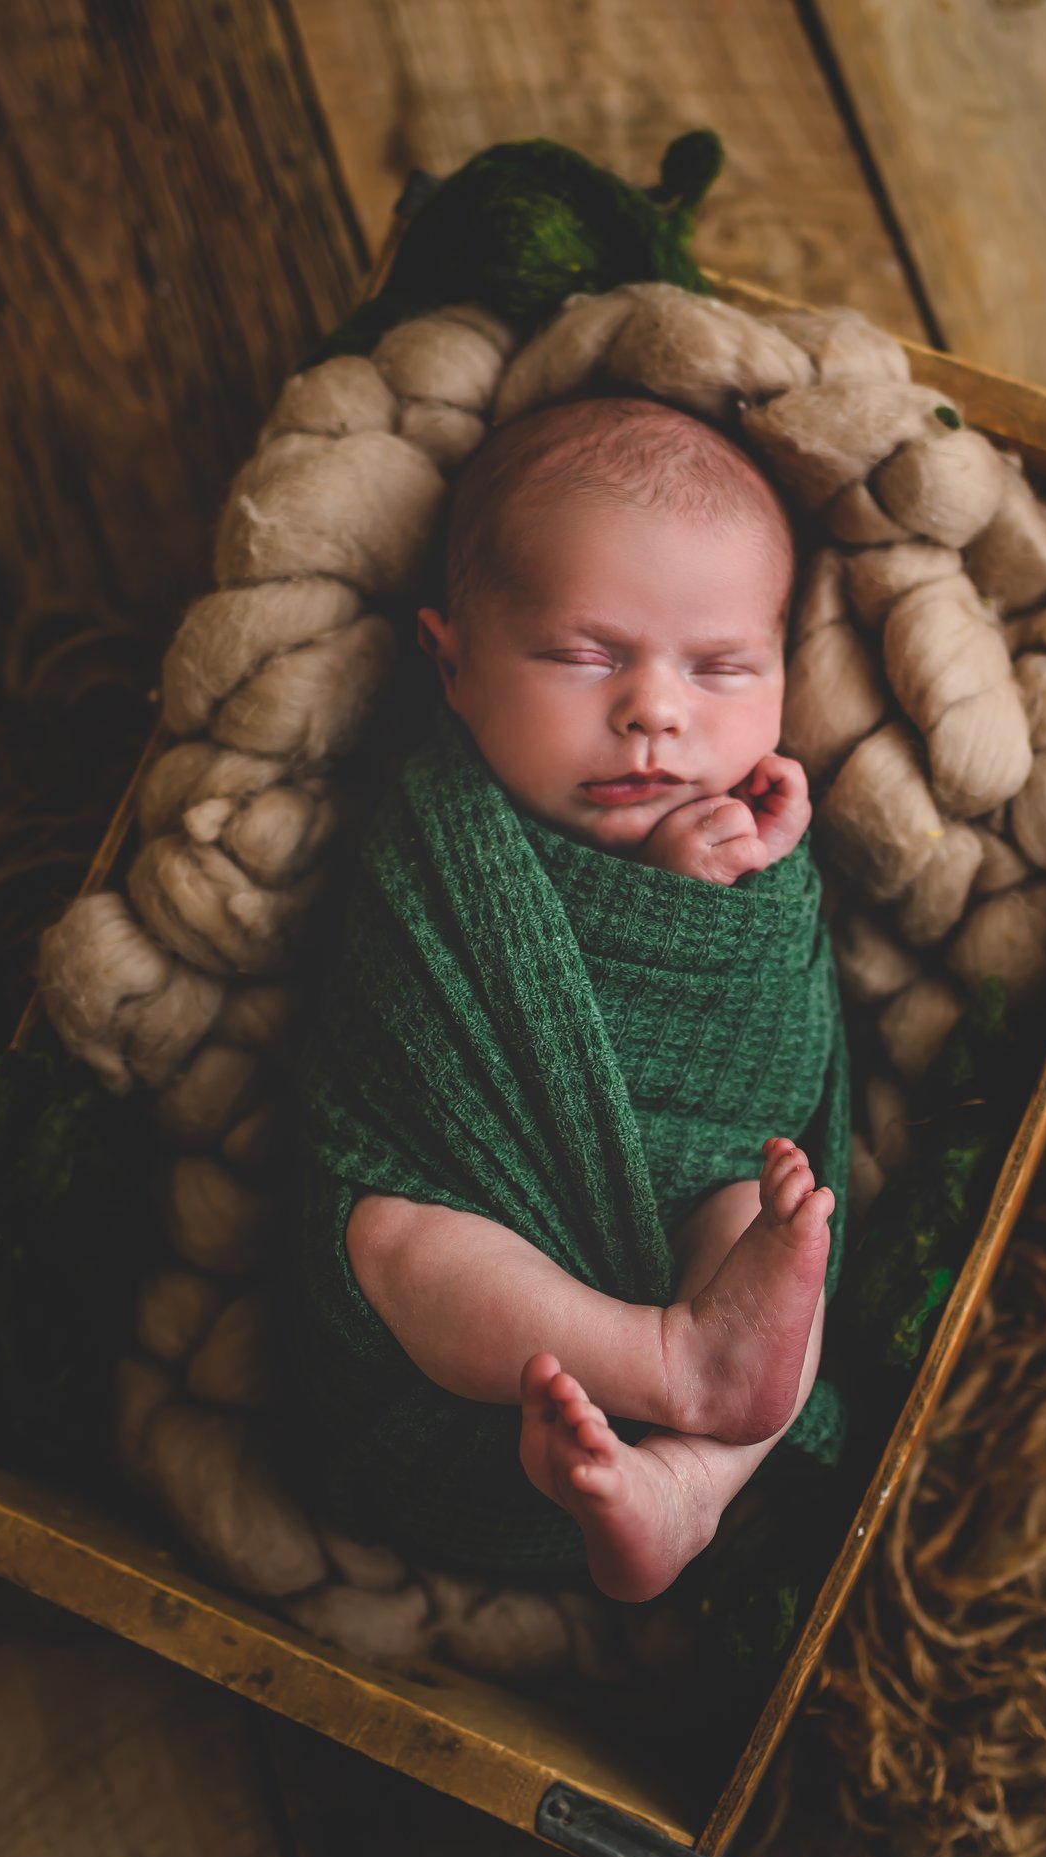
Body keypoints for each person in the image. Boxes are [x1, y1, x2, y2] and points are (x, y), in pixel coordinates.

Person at [283, 391, 851, 1604]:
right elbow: (391, 1048)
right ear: (452, 663)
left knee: (774, 1220)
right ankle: (669, 1367)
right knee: (388, 1234)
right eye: (586, 655)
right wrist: (655, 885)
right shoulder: (439, 839)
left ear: (784, 681)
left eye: (721, 668)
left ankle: (691, 1485)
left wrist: (731, 893)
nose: (656, 709)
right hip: (466, 1295)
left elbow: (766, 1057)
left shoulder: (761, 852)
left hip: (684, 1197)